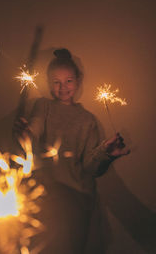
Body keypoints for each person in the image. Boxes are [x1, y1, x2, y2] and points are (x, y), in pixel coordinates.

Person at [13, 48, 130, 254]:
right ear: (49, 83)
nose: (62, 87)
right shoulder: (43, 107)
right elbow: (34, 132)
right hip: (45, 199)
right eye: (56, 81)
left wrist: (107, 153)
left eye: (68, 81)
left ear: (78, 80)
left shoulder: (87, 120)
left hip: (78, 203)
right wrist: (25, 134)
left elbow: (90, 168)